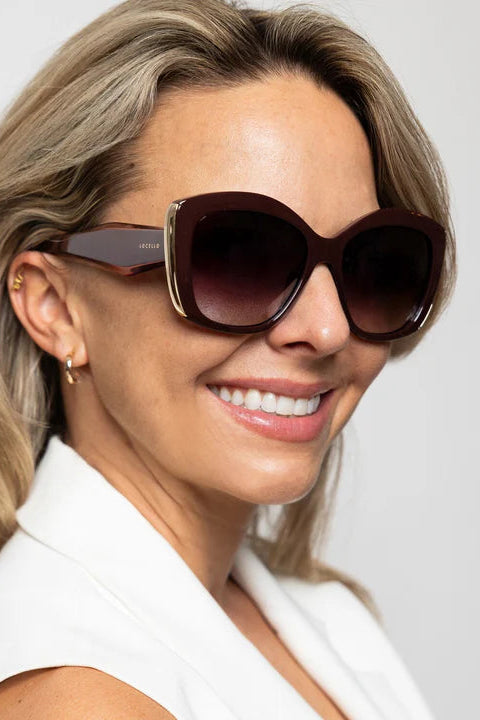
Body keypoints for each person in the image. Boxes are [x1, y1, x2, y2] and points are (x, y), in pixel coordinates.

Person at [0, 0, 456, 718]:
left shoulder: (325, 619)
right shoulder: (77, 694)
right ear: (55, 306)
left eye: (373, 261)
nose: (327, 328)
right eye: (239, 257)